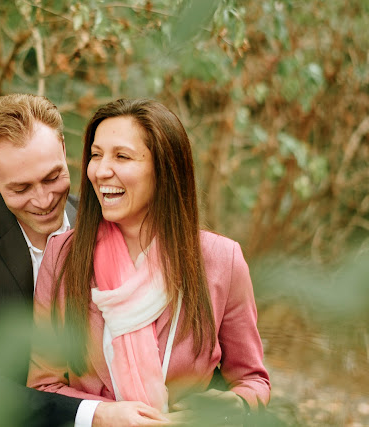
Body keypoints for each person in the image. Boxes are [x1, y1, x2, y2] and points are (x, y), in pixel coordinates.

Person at [27, 98, 271, 425]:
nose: (101, 171)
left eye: (122, 156)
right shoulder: (64, 255)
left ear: (164, 168)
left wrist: (235, 405)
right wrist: (100, 414)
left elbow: (253, 379)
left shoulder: (221, 260)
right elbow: (44, 384)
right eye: (96, 155)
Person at [0, 94, 166, 426]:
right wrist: (94, 414)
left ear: (64, 150)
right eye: (21, 188)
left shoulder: (107, 222)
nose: (43, 200)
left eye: (52, 177)